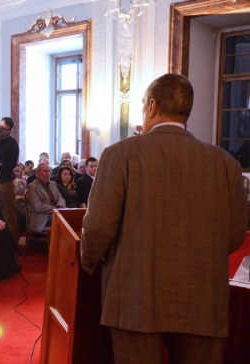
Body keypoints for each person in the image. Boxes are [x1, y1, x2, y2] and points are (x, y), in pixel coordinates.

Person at [80, 73, 248, 363]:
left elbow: (97, 227)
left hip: (134, 295)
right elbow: (234, 235)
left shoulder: (120, 155)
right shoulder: (226, 164)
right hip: (203, 298)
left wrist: (88, 262)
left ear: (151, 106)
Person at [26, 163, 65, 233]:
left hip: (56, 213)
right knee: (62, 220)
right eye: (45, 171)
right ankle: (55, 243)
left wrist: (60, 206)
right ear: (37, 173)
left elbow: (60, 198)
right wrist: (56, 210)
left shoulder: (53, 184)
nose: (48, 174)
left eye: (49, 171)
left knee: (71, 216)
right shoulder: (32, 186)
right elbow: (38, 207)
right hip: (42, 217)